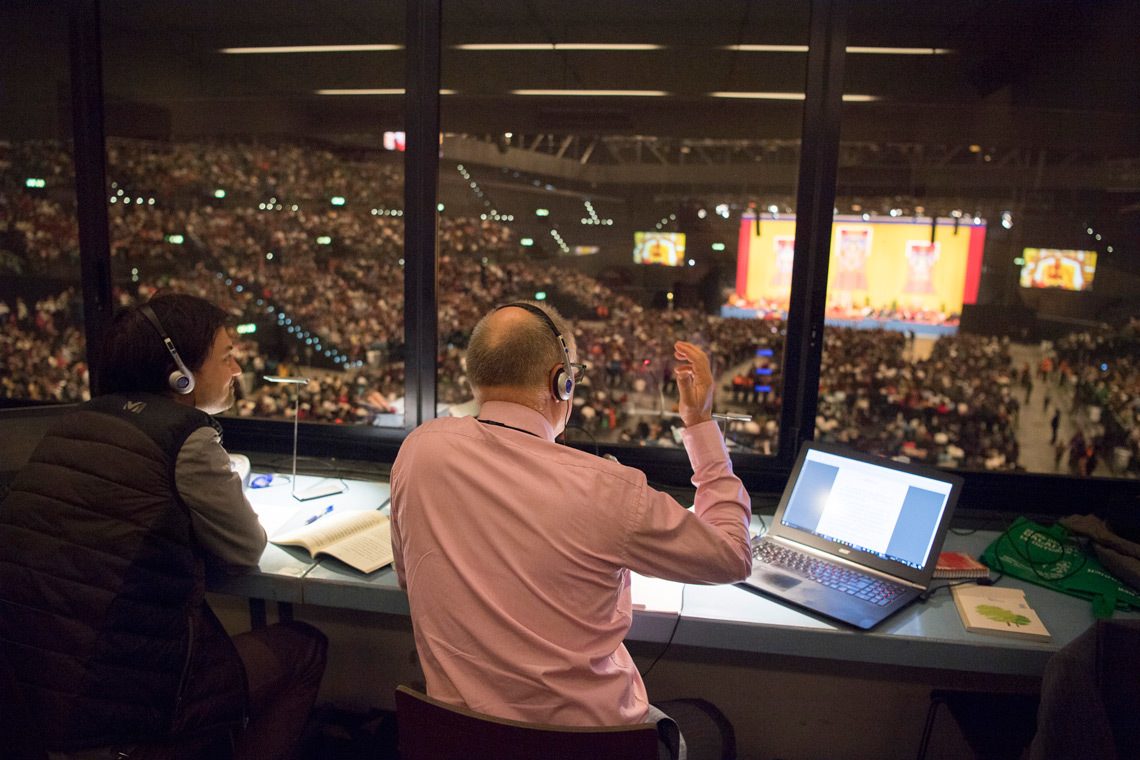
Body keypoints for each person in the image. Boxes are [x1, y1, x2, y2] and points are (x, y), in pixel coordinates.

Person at [391, 301, 752, 760]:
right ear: (560, 380)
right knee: (708, 721)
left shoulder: (419, 451)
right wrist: (700, 424)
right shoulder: (607, 488)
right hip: (590, 748)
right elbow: (733, 556)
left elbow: (410, 578)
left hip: (458, 740)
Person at [0, 294, 327, 759]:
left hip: (32, 697)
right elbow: (243, 548)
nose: (236, 370)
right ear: (181, 373)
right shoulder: (184, 436)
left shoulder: (74, 420)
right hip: (118, 708)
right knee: (304, 648)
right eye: (226, 356)